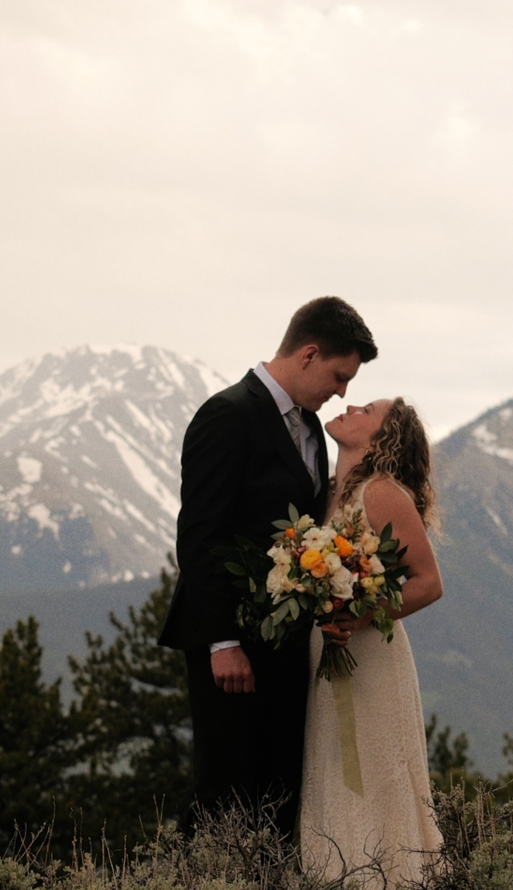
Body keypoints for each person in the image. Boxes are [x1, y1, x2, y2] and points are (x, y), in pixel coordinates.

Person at [160, 296, 378, 837]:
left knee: (278, 794)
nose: (342, 391)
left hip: (285, 641)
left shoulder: (308, 428)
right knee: (225, 793)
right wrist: (222, 642)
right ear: (308, 354)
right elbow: (201, 535)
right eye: (339, 374)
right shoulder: (227, 414)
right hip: (230, 643)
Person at [298, 397, 444, 890]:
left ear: (382, 440)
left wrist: (359, 616)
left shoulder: (381, 494)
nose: (350, 403)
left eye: (368, 408)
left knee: (374, 780)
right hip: (325, 654)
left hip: (370, 658)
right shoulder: (328, 494)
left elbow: (428, 582)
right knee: (331, 774)